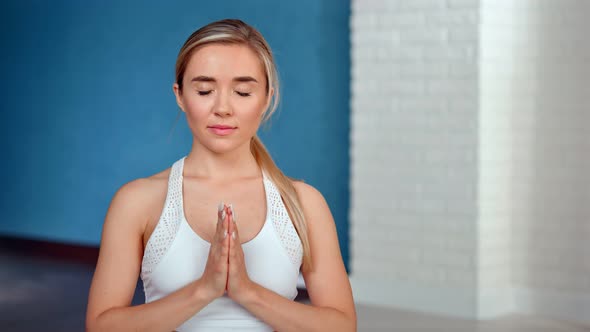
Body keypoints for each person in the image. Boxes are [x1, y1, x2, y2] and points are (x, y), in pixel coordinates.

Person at [85, 18, 356, 331]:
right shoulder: (137, 201)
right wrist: (204, 289)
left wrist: (247, 291)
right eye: (204, 90)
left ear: (267, 97)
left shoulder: (303, 204)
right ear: (180, 95)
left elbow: (341, 326)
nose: (223, 108)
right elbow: (101, 326)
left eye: (242, 92)